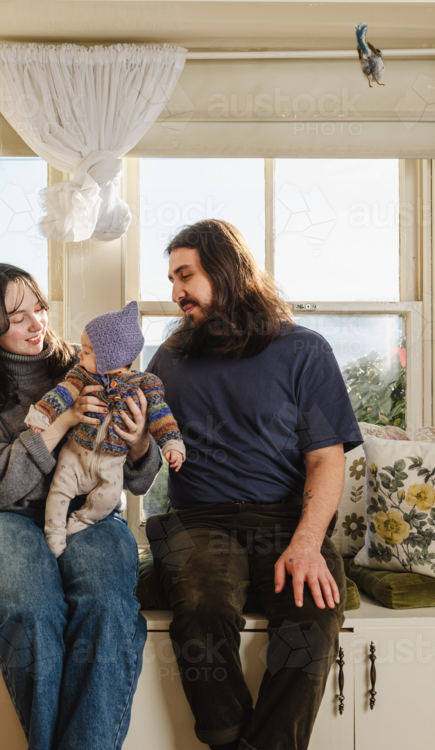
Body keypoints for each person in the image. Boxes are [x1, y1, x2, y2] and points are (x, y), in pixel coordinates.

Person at [144, 219, 363, 750]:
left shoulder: (304, 351)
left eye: (185, 276)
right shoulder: (168, 361)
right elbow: (136, 458)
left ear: (225, 270)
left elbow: (326, 461)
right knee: (200, 607)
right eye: (172, 279)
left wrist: (309, 542)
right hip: (196, 522)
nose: (176, 293)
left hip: (287, 519)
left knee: (313, 615)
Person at [0, 262, 161, 750]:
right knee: (33, 611)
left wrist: (142, 443)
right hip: (4, 518)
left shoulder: (84, 365)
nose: (37, 322)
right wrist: (59, 425)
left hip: (88, 513)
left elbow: (139, 481)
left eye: (38, 307)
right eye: (17, 317)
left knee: (107, 608)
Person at [26, 300, 186, 557]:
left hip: (112, 461)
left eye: (87, 352)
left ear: (110, 359)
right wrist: (43, 414)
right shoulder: (80, 376)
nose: (80, 355)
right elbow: (61, 395)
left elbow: (160, 414)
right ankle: (53, 535)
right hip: (75, 456)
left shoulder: (144, 384)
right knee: (58, 492)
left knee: (110, 498)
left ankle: (81, 520)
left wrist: (171, 443)